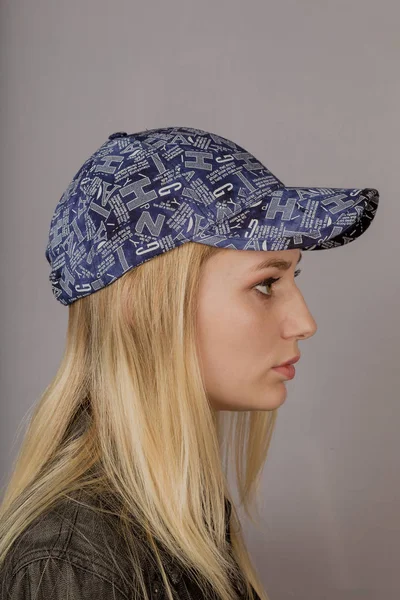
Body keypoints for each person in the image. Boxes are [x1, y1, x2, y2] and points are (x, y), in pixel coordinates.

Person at [0, 126, 379, 600]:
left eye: (293, 276)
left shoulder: (181, 515)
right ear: (140, 305)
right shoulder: (74, 562)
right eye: (266, 283)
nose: (304, 321)